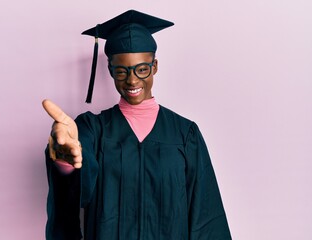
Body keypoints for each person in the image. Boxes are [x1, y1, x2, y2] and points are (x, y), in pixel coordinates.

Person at [43, 9, 232, 240]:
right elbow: (76, 193)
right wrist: (66, 161)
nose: (132, 80)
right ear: (111, 71)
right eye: (121, 71)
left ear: (155, 66)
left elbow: (206, 215)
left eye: (142, 69)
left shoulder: (185, 133)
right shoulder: (92, 129)